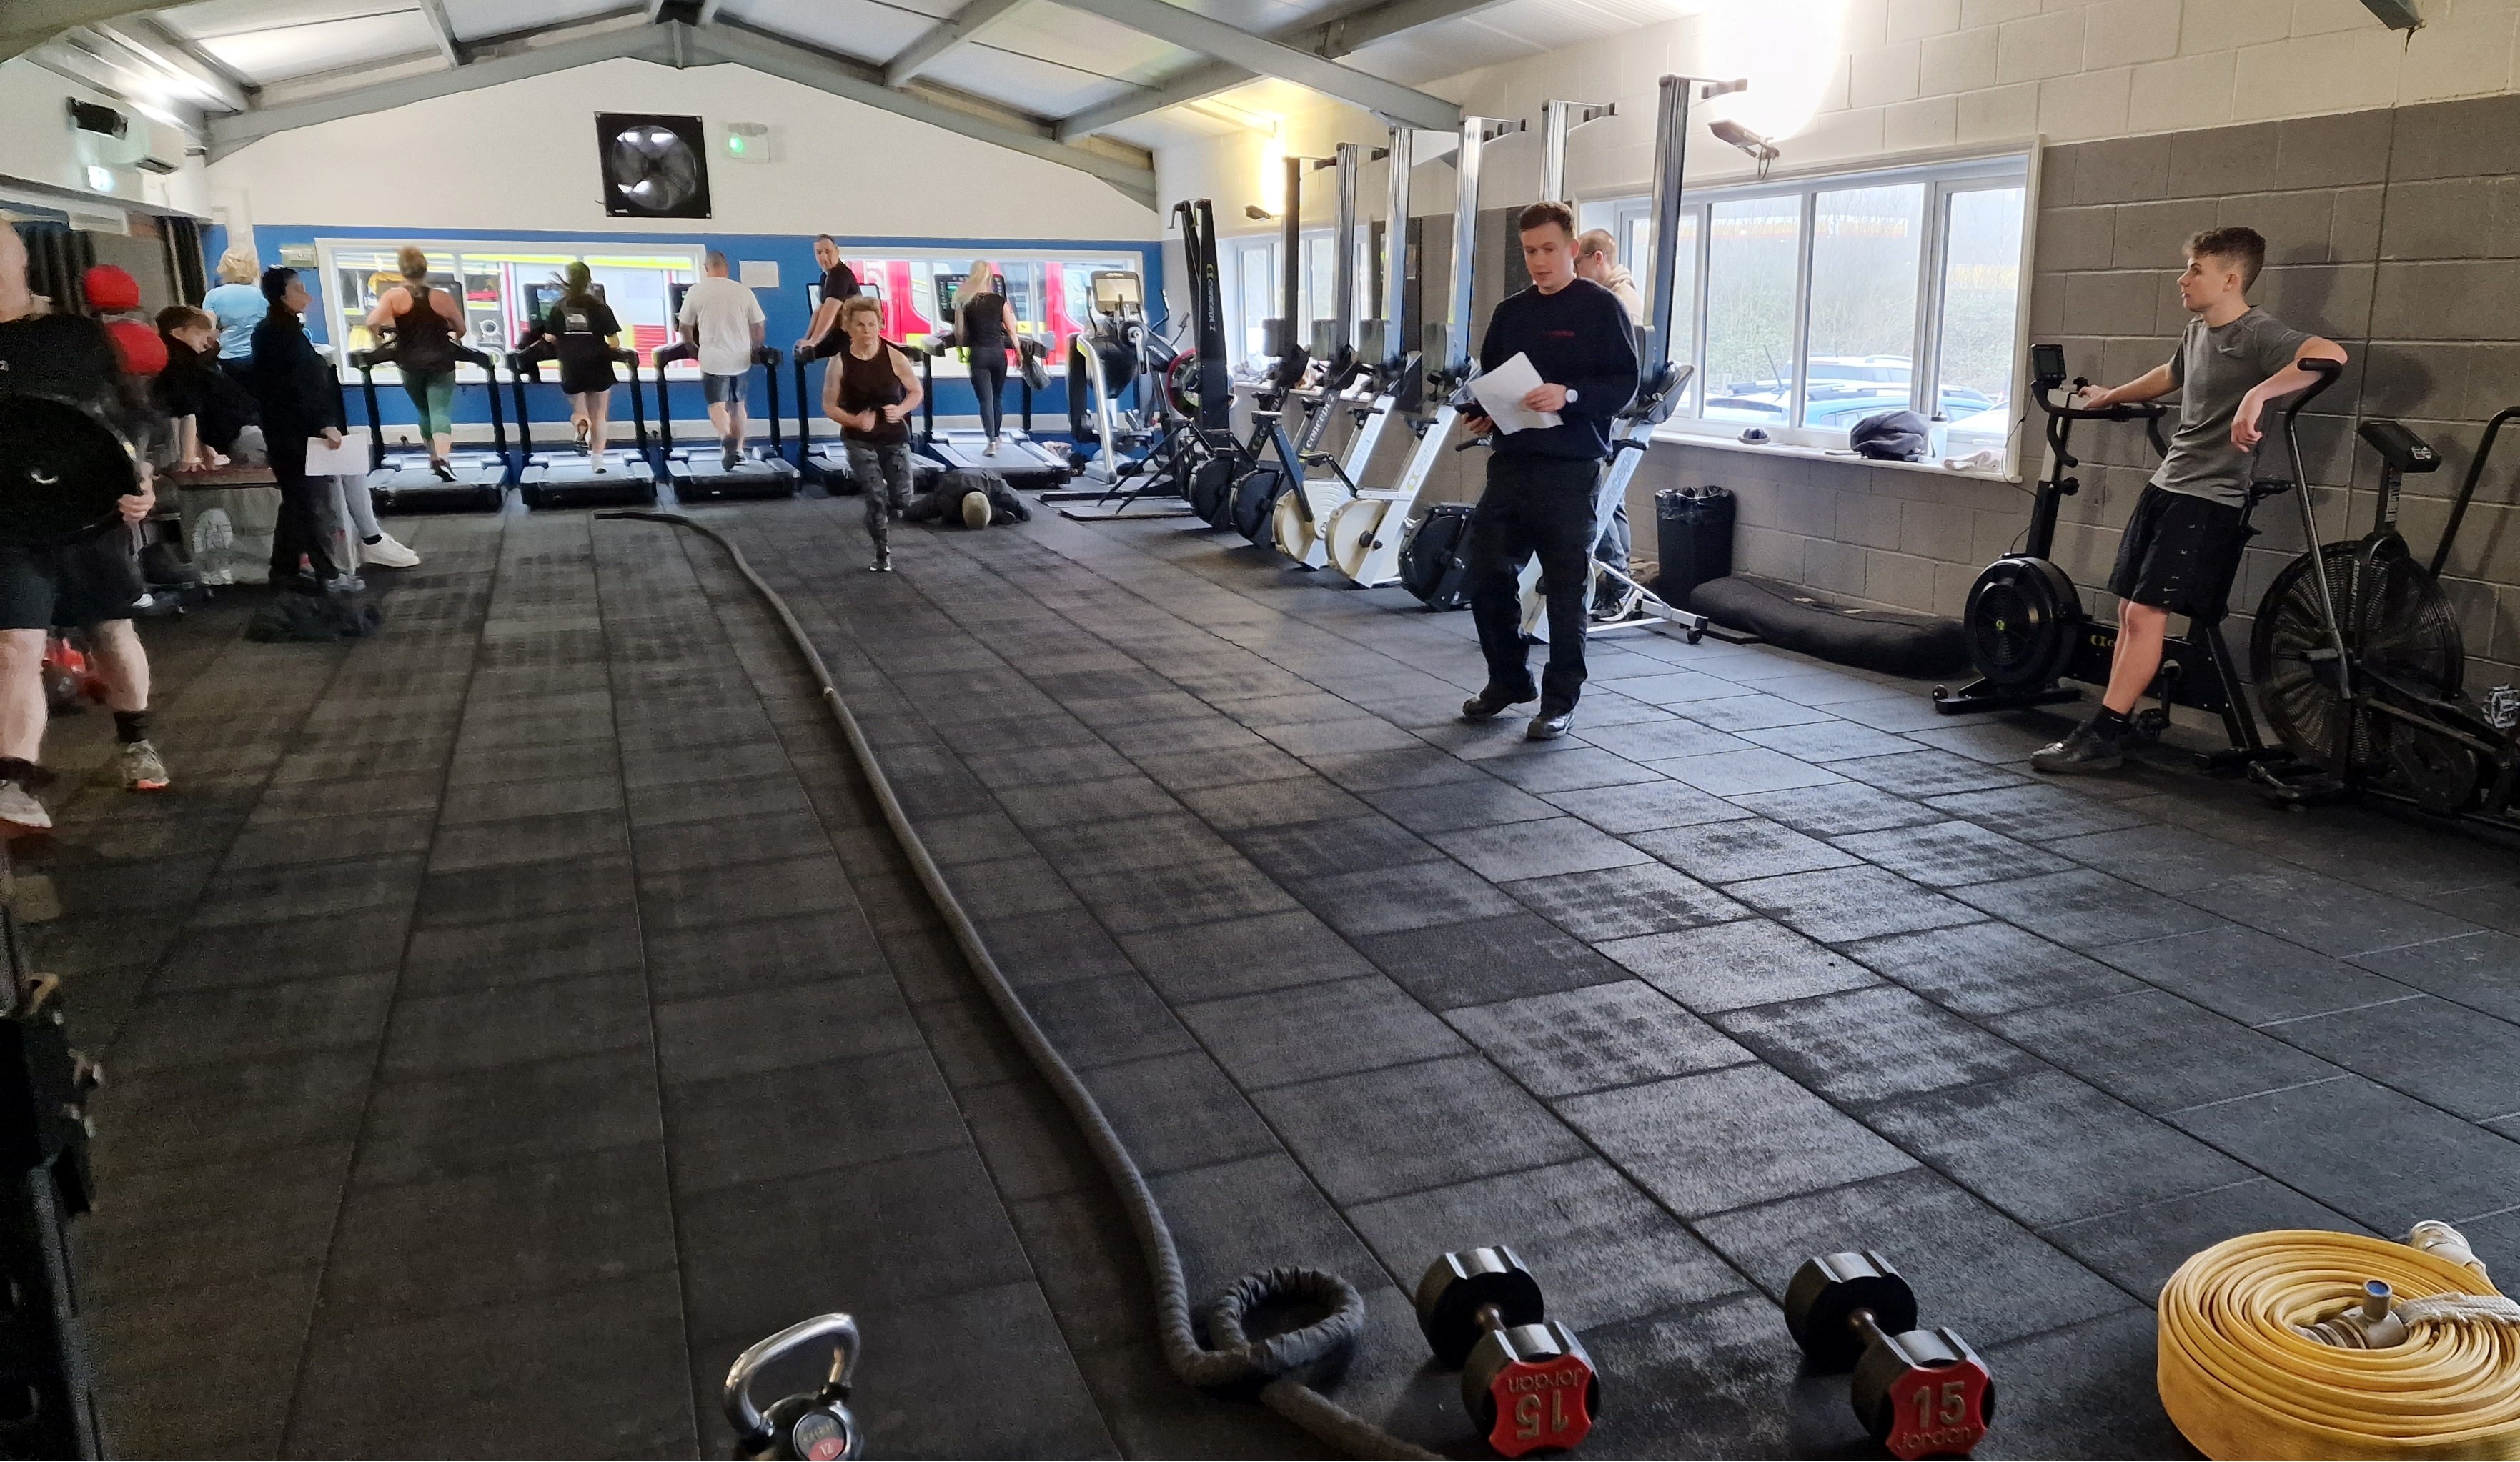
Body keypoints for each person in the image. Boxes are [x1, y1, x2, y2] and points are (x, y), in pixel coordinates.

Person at [2032, 226, 2346, 774]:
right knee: (2131, 608)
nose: (2183, 280)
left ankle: (2105, 731)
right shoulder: (2199, 330)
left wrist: (2258, 393)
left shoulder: (2256, 332)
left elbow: (2329, 354)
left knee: (2150, 613)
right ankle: (2113, 724)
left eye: (2195, 271)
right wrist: (2109, 396)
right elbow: (2171, 375)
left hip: (2209, 497)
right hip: (2169, 484)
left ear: (2229, 278)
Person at [0, 222, 169, 828]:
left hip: (88, 513)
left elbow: (138, 417)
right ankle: (14, 782)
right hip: (9, 523)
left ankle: (133, 739)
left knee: (111, 631)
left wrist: (142, 479)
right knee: (14, 645)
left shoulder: (74, 338)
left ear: (20, 257)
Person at [1456, 201, 1638, 742]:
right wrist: (1481, 415)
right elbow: (1487, 381)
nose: (1539, 261)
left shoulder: (1602, 309)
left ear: (1573, 249)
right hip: (1512, 465)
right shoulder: (1511, 313)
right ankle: (1509, 679)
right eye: (1530, 251)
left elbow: (1622, 387)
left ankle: (1560, 701)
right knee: (1485, 572)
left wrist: (1571, 394)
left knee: (1564, 592)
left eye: (1549, 249)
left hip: (1570, 469)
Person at [246, 267, 353, 592]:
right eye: (299, 289)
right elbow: (301, 386)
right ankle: (328, 574)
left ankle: (284, 569)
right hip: (295, 433)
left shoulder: (277, 331)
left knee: (295, 501)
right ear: (282, 296)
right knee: (310, 503)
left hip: (284, 430)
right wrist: (325, 423)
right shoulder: (282, 335)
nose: (308, 296)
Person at [1574, 227, 1643, 617]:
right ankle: (1619, 582)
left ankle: (1616, 583)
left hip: (1612, 414)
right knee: (1610, 499)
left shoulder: (1621, 303)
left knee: (1599, 498)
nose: (1577, 274)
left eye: (1578, 264)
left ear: (1597, 259)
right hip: (1607, 414)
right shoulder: (1610, 299)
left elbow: (1619, 371)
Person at [825, 297, 923, 573]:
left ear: (879, 325)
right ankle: (882, 551)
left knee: (902, 499)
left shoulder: (894, 356)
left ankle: (877, 517)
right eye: (860, 325)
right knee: (875, 496)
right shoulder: (839, 363)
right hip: (859, 438)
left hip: (894, 435)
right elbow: (829, 406)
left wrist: (901, 409)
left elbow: (916, 392)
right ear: (848, 328)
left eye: (872, 324)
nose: (867, 330)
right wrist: (854, 420)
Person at [363, 245, 465, 482]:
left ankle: (432, 459)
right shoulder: (441, 297)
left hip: (409, 362)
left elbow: (372, 322)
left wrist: (381, 337)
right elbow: (461, 329)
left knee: (423, 411)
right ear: (425, 269)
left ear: (402, 271)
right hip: (441, 362)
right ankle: (443, 458)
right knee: (440, 410)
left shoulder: (393, 296)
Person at [678, 249, 766, 472]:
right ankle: (737, 451)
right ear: (727, 268)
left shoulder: (696, 291)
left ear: (707, 269)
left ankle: (725, 436)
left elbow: (685, 326)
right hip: (741, 358)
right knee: (738, 406)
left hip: (712, 359)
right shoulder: (743, 291)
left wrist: (691, 347)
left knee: (716, 405)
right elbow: (758, 325)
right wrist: (755, 349)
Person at [537, 262, 623, 471]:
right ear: (589, 281)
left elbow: (549, 336)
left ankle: (580, 427)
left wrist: (567, 341)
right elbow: (614, 342)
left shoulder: (559, 306)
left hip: (572, 363)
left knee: (579, 410)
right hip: (598, 363)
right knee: (600, 414)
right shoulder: (600, 307)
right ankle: (598, 461)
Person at [154, 305, 259, 469]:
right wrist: (190, 457)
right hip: (238, 433)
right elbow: (189, 411)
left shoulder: (185, 363)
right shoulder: (185, 365)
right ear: (178, 333)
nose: (206, 343)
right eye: (198, 334)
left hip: (232, 433)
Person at [958, 259, 1021, 457]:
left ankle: (990, 442)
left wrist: (960, 351)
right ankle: (998, 437)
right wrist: (1018, 352)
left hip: (978, 354)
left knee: (985, 400)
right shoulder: (999, 300)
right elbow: (1012, 329)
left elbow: (960, 332)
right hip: (998, 353)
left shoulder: (964, 301)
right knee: (997, 397)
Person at [202, 247, 267, 387]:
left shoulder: (213, 296)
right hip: (260, 358)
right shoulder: (263, 296)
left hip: (228, 360)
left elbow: (209, 332)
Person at [797, 234, 861, 360]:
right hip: (837, 333)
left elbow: (830, 311)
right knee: (802, 356)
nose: (824, 257)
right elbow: (819, 311)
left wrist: (814, 341)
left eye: (828, 252)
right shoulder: (825, 277)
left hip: (850, 337)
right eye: (819, 253)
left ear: (837, 251)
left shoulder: (840, 276)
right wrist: (806, 339)